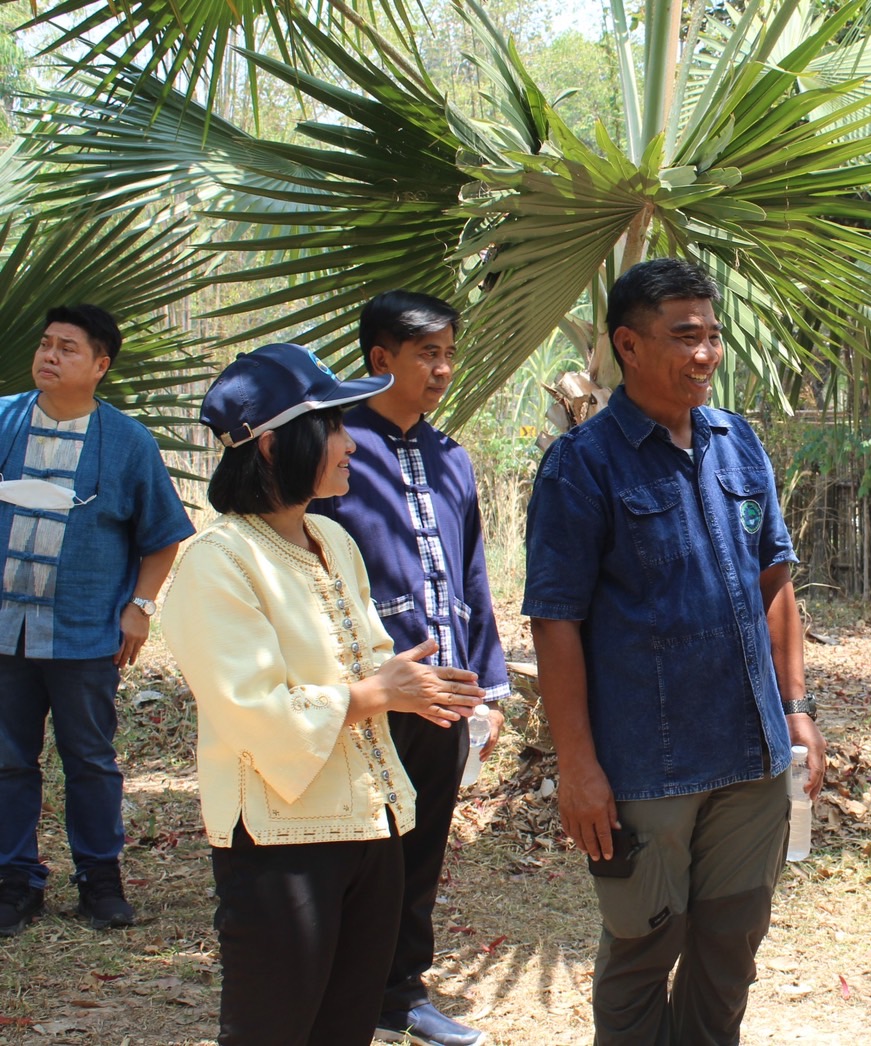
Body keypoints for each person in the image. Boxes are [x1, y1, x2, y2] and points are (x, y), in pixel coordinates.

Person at [524, 257, 826, 1045]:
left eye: (713, 336)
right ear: (627, 344)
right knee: (640, 950)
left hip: (751, 757)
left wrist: (795, 710)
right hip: (647, 768)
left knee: (730, 952)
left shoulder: (738, 444)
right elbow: (555, 622)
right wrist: (578, 766)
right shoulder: (582, 465)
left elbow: (774, 582)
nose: (704, 355)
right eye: (684, 336)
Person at [162, 343, 485, 1045]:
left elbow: (366, 657)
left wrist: (418, 686)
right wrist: (374, 694)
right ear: (275, 446)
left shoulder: (331, 538)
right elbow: (253, 711)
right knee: (274, 1030)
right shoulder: (216, 563)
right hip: (282, 842)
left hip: (370, 826)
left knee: (346, 1025)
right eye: (333, 428)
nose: (349, 445)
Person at [312, 291, 510, 1046]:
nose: (443, 370)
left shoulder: (450, 457)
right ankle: (339, 993)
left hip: (445, 693)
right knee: (360, 849)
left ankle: (401, 995)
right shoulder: (335, 452)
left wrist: (486, 688)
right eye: (427, 354)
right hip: (365, 695)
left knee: (421, 846)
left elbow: (471, 575)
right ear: (379, 359)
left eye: (449, 354)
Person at [0, 305, 194, 937]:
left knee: (89, 759)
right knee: (7, 759)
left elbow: (162, 536)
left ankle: (100, 881)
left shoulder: (127, 442)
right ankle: (15, 882)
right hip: (4, 632)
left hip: (85, 634)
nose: (49, 356)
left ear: (100, 366)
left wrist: (139, 608)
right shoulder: (3, 420)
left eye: (68, 349)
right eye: (46, 344)